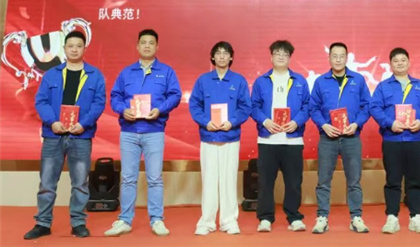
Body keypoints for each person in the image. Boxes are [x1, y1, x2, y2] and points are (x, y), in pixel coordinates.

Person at [24, 31, 106, 240]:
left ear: (84, 48)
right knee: (47, 183)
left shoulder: (95, 75)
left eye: (79, 46)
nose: (74, 49)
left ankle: (78, 223)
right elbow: (41, 101)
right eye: (71, 46)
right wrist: (53, 121)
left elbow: (98, 104)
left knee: (80, 183)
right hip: (54, 135)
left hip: (81, 136)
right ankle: (43, 223)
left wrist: (83, 124)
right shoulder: (52, 74)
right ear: (64, 48)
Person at [105, 29, 182, 237]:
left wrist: (160, 109)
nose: (147, 46)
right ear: (137, 46)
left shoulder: (166, 72)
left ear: (157, 47)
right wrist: (123, 110)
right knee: (128, 178)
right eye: (143, 42)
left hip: (154, 131)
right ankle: (125, 220)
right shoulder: (126, 72)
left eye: (151, 42)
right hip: (129, 132)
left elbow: (175, 95)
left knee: (154, 178)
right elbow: (115, 96)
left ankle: (157, 219)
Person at [369, 47, 420, 234]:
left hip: (415, 139)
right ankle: (392, 217)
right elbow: (374, 107)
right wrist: (389, 123)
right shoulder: (383, 86)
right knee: (393, 180)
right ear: (390, 64)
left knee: (416, 180)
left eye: (403, 60)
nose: (399, 63)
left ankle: (416, 217)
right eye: (396, 61)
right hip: (392, 140)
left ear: (409, 62)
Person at [189, 41, 251, 235]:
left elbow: (245, 107)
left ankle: (229, 221)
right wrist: (205, 122)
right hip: (208, 137)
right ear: (212, 57)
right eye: (218, 53)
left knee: (228, 180)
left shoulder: (238, 81)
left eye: (225, 53)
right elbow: (194, 105)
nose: (222, 56)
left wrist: (232, 122)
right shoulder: (203, 80)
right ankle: (206, 222)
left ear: (231, 57)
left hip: (230, 137)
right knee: (209, 180)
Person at [309, 42, 371, 234]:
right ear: (329, 58)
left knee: (354, 180)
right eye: (334, 56)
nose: (338, 59)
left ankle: (356, 217)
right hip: (328, 137)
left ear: (347, 58)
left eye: (341, 56)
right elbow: (313, 108)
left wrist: (357, 124)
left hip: (351, 137)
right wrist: (323, 125)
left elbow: (367, 106)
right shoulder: (320, 81)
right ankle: (322, 217)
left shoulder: (358, 80)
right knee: (323, 180)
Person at [251, 40, 310, 233]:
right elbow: (253, 106)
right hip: (267, 139)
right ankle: (265, 218)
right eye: (277, 53)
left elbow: (307, 106)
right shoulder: (261, 81)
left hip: (293, 139)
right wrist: (265, 121)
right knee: (265, 182)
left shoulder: (300, 80)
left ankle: (294, 217)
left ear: (290, 58)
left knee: (293, 182)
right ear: (271, 57)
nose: (281, 57)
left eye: (285, 54)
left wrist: (297, 122)